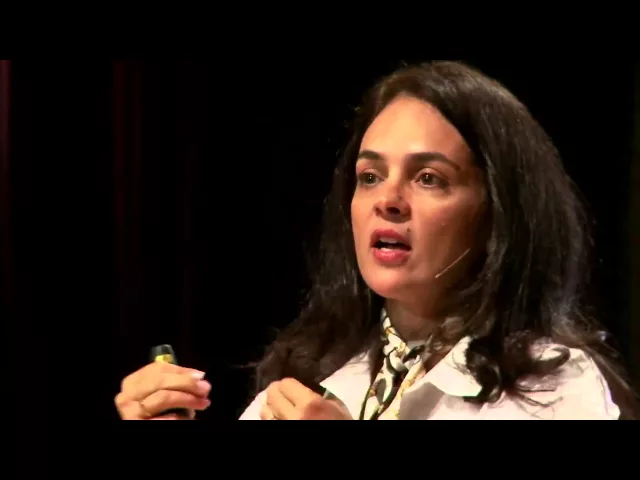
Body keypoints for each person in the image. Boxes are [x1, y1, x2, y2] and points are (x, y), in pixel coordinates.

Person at [114, 60, 638, 420]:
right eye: (369, 176)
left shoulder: (553, 389)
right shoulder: (313, 374)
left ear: (497, 212)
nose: (388, 199)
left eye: (428, 178)